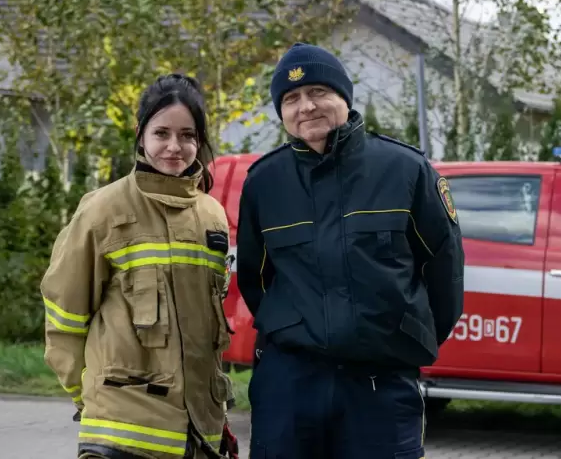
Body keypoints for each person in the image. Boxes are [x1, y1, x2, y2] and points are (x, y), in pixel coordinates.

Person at [235, 42, 466, 459]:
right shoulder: (263, 183)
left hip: (380, 386)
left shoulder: (406, 171)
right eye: (291, 98)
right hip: (290, 386)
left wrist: (400, 337)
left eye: (318, 92)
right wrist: (295, 326)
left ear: (344, 96)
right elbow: (256, 279)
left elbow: (444, 272)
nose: (306, 106)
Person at [40, 74, 240, 459]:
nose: (174, 146)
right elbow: (64, 318)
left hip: (201, 435)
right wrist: (91, 396)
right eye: (161, 133)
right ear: (140, 134)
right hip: (119, 435)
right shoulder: (102, 210)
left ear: (200, 140)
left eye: (187, 135)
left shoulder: (212, 216)